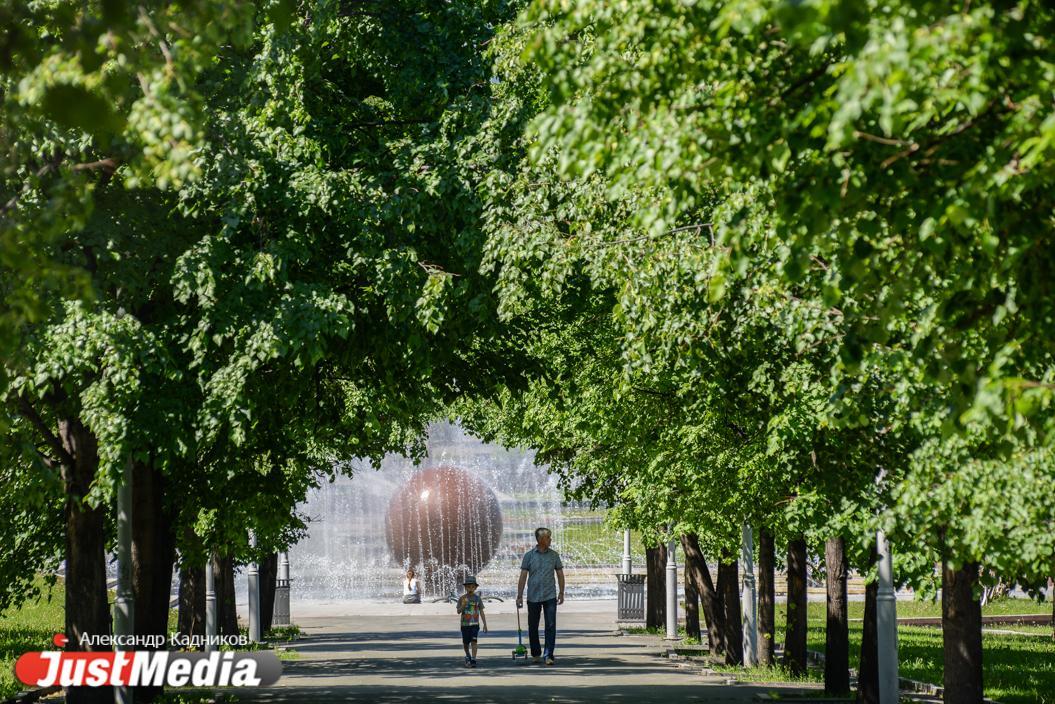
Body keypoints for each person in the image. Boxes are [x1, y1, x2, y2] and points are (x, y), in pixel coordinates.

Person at [516, 527, 565, 665]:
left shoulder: (554, 555)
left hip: (550, 595)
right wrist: (519, 596)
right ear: (540, 539)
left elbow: (560, 574)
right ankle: (536, 653)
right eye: (548, 537)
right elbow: (523, 576)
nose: (550, 539)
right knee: (533, 626)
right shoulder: (529, 556)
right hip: (533, 596)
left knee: (550, 625)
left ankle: (548, 655)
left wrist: (561, 592)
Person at [456, 575, 488, 667]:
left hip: (474, 624)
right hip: (465, 624)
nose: (470, 588)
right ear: (465, 587)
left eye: (472, 587)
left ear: (475, 588)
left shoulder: (477, 598)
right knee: (466, 643)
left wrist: (485, 624)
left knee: (474, 641)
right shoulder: (462, 598)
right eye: (468, 587)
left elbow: (481, 611)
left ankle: (473, 659)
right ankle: (467, 655)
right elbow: (458, 611)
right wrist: (463, 605)